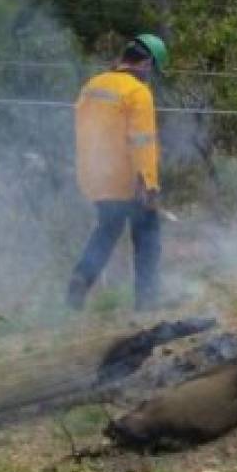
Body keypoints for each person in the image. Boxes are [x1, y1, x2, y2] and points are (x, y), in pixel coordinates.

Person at [67, 34, 169, 311]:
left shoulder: (92, 85)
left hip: (96, 175)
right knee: (147, 239)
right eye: (153, 70)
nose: (151, 77)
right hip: (128, 179)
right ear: (146, 63)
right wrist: (147, 182)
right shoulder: (137, 93)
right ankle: (147, 304)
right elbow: (142, 141)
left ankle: (80, 279)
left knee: (106, 231)